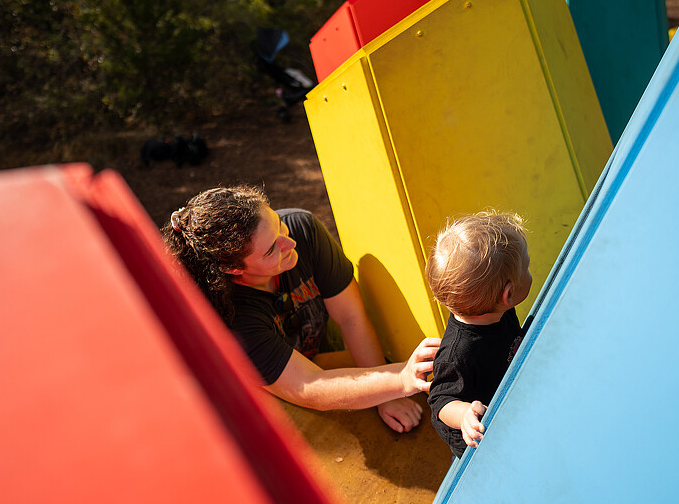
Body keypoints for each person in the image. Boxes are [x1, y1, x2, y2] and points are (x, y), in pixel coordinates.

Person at [162, 185, 440, 433]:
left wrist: (386, 395)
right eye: (271, 250)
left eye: (278, 224)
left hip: (311, 356)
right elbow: (309, 387)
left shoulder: (302, 228)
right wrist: (401, 379)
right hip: (262, 397)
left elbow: (350, 316)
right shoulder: (229, 319)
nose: (290, 243)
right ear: (234, 269)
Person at [425, 210, 533, 458]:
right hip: (478, 440)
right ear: (508, 295)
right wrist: (464, 415)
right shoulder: (457, 353)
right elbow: (440, 400)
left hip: (504, 397)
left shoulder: (496, 307)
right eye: (526, 268)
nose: (529, 270)